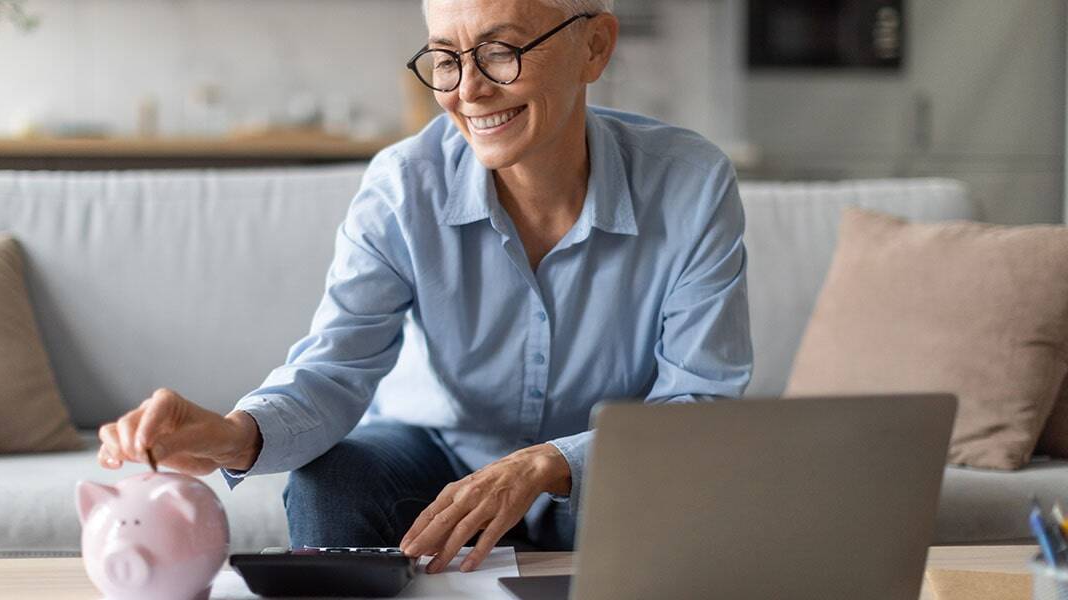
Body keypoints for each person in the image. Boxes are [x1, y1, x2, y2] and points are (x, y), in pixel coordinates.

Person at [97, 0, 752, 575]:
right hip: (435, 455)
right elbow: (335, 369)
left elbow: (700, 399)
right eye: (444, 59)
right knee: (333, 481)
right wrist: (232, 435)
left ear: (595, 46)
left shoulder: (689, 182)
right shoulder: (404, 186)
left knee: (691, 494)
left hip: (609, 472)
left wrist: (546, 462)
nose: (469, 89)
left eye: (500, 51)